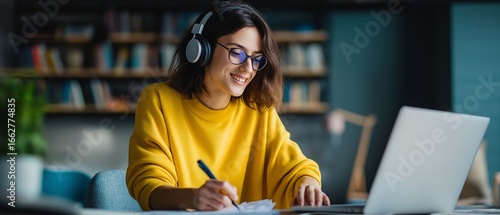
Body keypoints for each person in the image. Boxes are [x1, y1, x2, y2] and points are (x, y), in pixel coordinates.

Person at [126, 0, 330, 211]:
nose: (248, 68)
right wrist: (194, 198)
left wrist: (308, 183)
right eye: (237, 52)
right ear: (201, 49)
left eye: (256, 58)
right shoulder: (158, 100)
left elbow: (294, 167)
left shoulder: (259, 111)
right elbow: (148, 184)